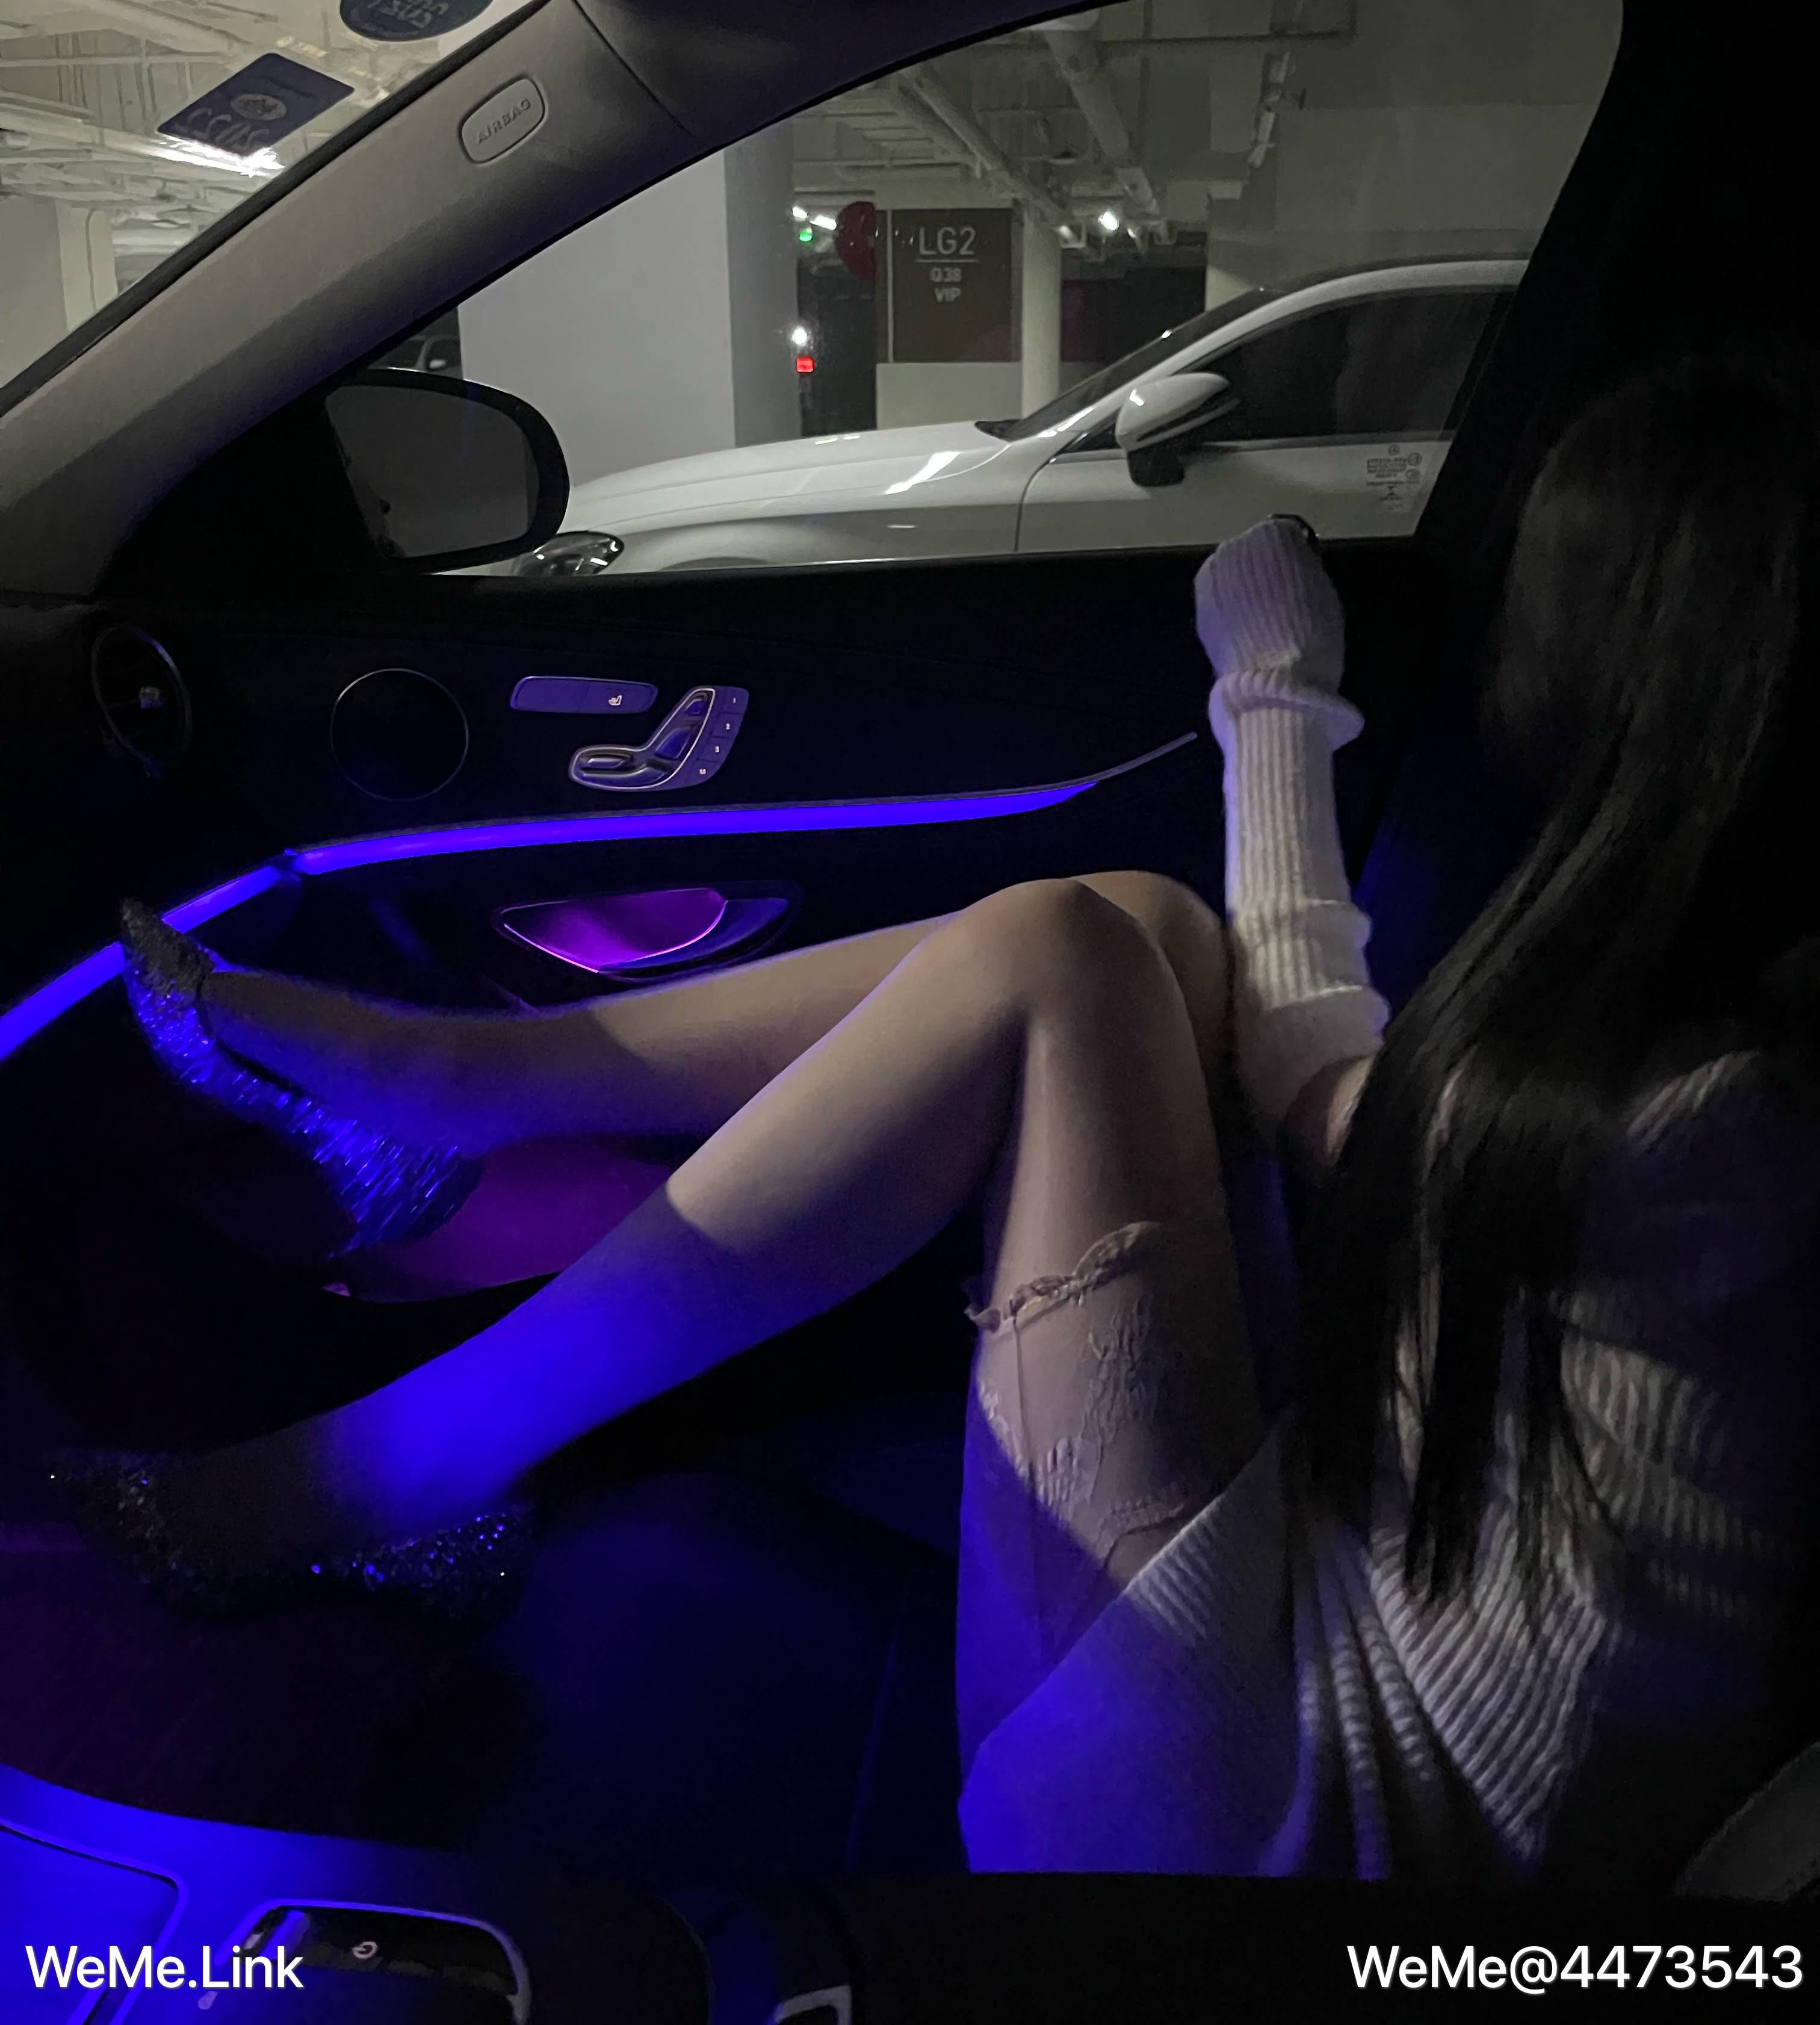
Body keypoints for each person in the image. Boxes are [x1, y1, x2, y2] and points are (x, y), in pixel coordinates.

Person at [59, 350, 1820, 1888]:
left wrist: (1274, 696)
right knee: (1144, 923)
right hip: (1350, 1545)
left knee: (1062, 958)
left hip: (1293, 1821)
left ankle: (374, 1452)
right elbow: (1358, 1123)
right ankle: (462, 1103)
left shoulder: (1733, 1118)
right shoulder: (1710, 1002)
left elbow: (1316, 1092)